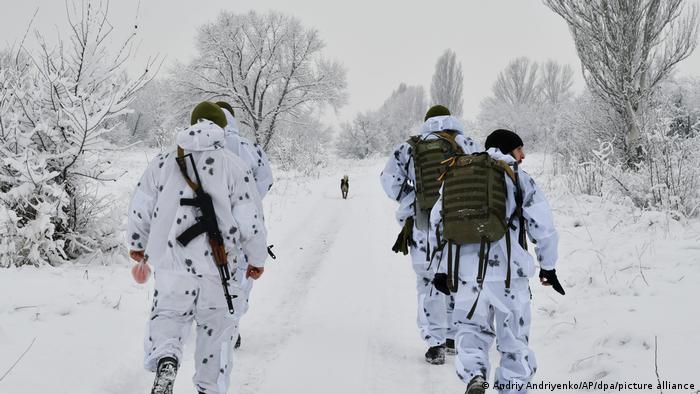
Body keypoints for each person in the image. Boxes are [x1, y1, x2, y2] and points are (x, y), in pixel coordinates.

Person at [127, 101, 268, 394]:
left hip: (172, 264)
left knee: (167, 315)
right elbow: (250, 220)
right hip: (219, 268)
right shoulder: (233, 165)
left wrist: (138, 245)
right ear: (221, 128)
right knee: (215, 333)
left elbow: (141, 205)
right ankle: (208, 387)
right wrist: (256, 259)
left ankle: (166, 357)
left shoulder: (163, 162)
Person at [429, 128, 564, 394]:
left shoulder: (455, 175)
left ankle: (475, 377)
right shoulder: (518, 178)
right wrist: (548, 265)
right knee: (513, 339)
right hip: (508, 277)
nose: (522, 155)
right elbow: (543, 226)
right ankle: (513, 389)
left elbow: (438, 224)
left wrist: (441, 270)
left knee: (470, 332)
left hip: (466, 276)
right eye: (518, 149)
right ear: (505, 149)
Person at [380, 105, 482, 365]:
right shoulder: (465, 142)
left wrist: (410, 198)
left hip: (424, 224)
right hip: (461, 222)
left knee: (428, 282)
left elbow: (388, 180)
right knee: (456, 277)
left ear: (427, 122)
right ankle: (453, 338)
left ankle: (434, 343)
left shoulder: (410, 147)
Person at [215, 101, 274, 350]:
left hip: (203, 228)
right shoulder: (248, 148)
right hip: (241, 228)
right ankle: (231, 327)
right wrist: (247, 202)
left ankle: (210, 324)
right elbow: (266, 180)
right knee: (239, 277)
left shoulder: (195, 146)